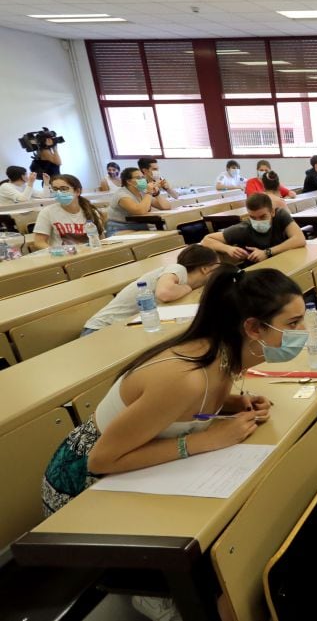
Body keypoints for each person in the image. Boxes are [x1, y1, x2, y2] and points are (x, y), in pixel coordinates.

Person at [42, 266, 301, 621]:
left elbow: (190, 406)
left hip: (132, 463)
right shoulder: (183, 377)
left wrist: (235, 403)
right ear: (253, 327)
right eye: (292, 323)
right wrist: (205, 441)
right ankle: (153, 591)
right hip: (83, 488)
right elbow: (100, 460)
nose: (301, 333)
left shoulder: (220, 351)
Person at [82, 245, 220, 335]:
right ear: (205, 269)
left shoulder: (184, 281)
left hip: (126, 329)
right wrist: (189, 287)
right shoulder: (177, 269)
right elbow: (164, 294)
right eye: (217, 267)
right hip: (99, 331)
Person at [202, 192, 305, 263]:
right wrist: (228, 249)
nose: (258, 221)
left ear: (272, 212)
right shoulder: (244, 229)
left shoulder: (280, 215)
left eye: (263, 216)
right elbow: (207, 240)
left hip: (286, 261)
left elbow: (299, 239)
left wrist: (267, 252)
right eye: (253, 217)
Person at [32, 174, 106, 250]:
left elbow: (101, 239)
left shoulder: (91, 212)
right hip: (63, 257)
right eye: (55, 189)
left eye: (64, 189)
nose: (59, 193)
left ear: (77, 191)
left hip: (88, 254)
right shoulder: (47, 212)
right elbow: (39, 242)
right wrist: (57, 251)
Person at [106, 167, 171, 235]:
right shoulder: (122, 195)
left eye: (143, 177)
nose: (142, 180)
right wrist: (149, 192)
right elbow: (140, 211)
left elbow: (166, 207)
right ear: (129, 181)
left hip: (140, 226)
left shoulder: (142, 191)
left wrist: (156, 193)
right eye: (138, 178)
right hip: (121, 228)